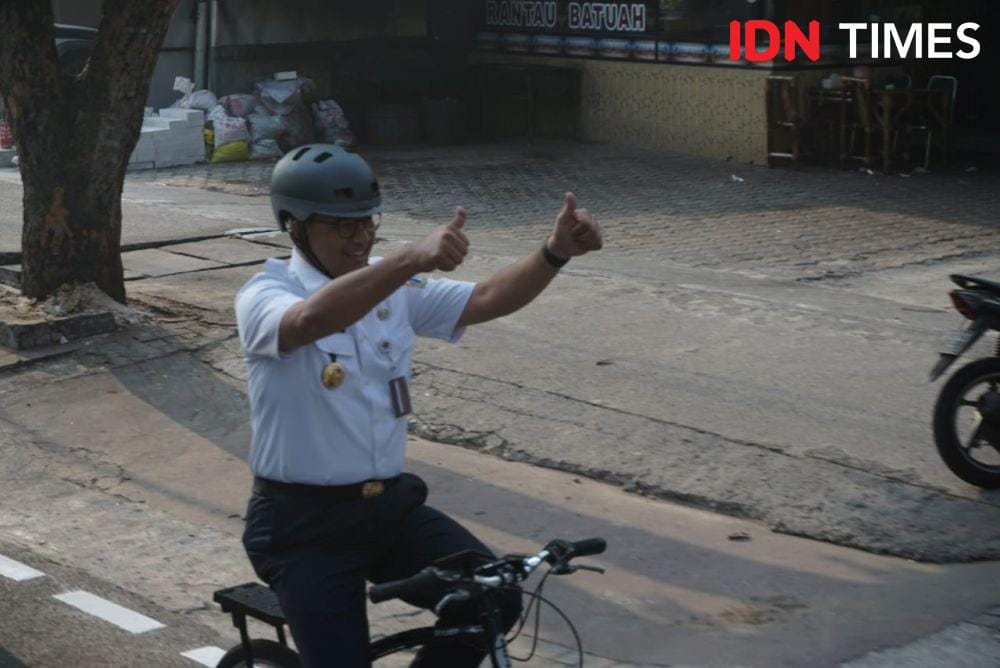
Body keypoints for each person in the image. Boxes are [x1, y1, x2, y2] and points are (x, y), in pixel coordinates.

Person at [235, 144, 602, 667]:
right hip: (302, 526)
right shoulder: (266, 293)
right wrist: (408, 257)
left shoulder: (393, 286)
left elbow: (485, 299)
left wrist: (554, 252)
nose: (361, 238)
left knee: (493, 597)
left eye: (367, 222)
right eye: (342, 226)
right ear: (294, 225)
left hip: (387, 509)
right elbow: (309, 321)